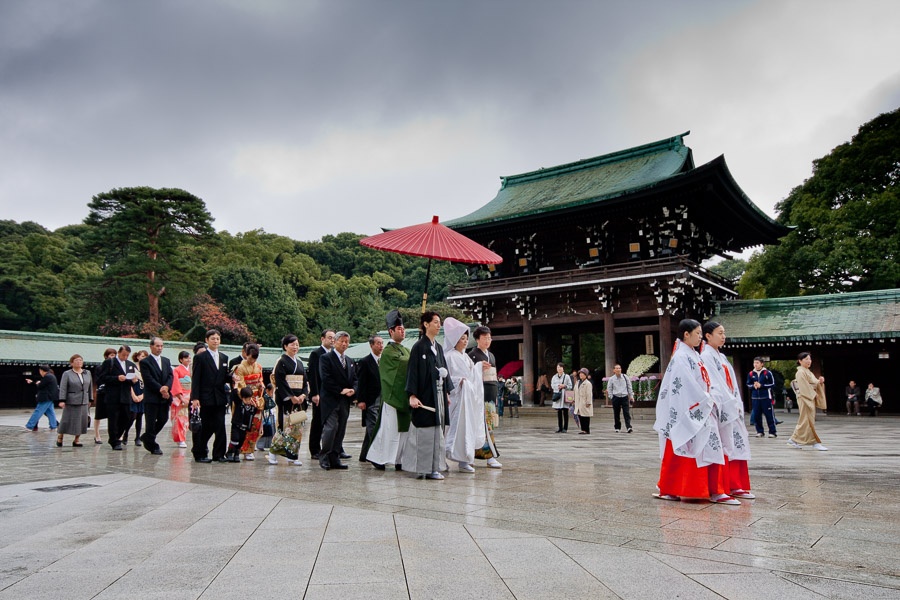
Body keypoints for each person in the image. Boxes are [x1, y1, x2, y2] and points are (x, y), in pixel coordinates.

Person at [653, 319, 737, 505]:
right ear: (686, 334)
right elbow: (686, 386)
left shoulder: (694, 355)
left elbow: (708, 381)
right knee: (691, 446)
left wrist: (712, 395)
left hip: (703, 405)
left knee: (704, 447)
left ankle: (711, 489)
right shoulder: (681, 357)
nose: (700, 337)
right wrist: (706, 399)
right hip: (693, 408)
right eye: (698, 333)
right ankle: (692, 489)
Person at [701, 322, 755, 500]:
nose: (723, 336)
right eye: (720, 333)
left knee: (736, 443)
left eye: (724, 333)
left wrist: (737, 401)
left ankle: (736, 484)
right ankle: (721, 487)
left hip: (731, 403)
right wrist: (729, 401)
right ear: (708, 336)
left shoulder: (722, 357)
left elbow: (731, 382)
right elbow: (715, 383)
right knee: (724, 444)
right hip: (722, 404)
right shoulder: (706, 356)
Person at [402, 311, 453, 480]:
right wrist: (412, 395)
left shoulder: (438, 347)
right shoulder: (418, 347)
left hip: (438, 393)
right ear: (426, 324)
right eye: (436, 322)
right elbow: (413, 372)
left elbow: (444, 370)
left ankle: (435, 467)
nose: (439, 325)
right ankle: (422, 468)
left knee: (438, 432)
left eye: (440, 322)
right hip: (425, 394)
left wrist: (446, 391)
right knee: (424, 432)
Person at [366, 310, 411, 471]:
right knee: (389, 430)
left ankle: (400, 459)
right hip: (393, 398)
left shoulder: (406, 350)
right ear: (391, 332)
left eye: (403, 328)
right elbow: (395, 371)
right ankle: (378, 458)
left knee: (405, 432)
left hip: (405, 396)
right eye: (398, 328)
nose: (402, 330)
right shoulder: (388, 352)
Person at [442, 317, 486, 473]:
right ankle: (443, 458)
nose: (465, 341)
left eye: (466, 338)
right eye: (462, 338)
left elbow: (472, 375)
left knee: (466, 429)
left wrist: (480, 367)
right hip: (456, 399)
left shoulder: (466, 357)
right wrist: (458, 381)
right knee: (451, 429)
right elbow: (446, 377)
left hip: (468, 399)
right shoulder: (449, 356)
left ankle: (464, 459)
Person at [318, 331, 357, 470]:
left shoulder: (350, 361)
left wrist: (353, 390)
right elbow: (326, 379)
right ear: (334, 342)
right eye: (342, 341)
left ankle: (335, 458)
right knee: (330, 428)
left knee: (341, 429)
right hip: (331, 399)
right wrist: (341, 390)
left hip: (345, 401)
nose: (344, 344)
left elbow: (355, 379)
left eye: (347, 341)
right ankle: (324, 456)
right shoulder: (325, 358)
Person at [190, 329, 230, 463]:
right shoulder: (200, 357)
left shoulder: (224, 358)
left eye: (218, 338)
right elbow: (196, 379)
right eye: (212, 338)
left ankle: (219, 454)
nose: (215, 341)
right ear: (207, 340)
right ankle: (199, 452)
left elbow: (224, 377)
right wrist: (195, 398)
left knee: (220, 426)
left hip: (219, 396)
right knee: (206, 426)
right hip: (205, 396)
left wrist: (232, 377)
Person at [468, 325, 502, 468]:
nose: (487, 341)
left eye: (489, 338)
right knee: (480, 425)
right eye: (484, 338)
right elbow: (468, 374)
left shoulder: (491, 355)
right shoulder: (472, 355)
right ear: (477, 339)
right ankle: (487, 455)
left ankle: (488, 455)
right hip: (478, 395)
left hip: (490, 393)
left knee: (489, 425)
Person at [271, 335, 308, 465]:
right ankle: (273, 453)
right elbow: (280, 381)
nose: (295, 347)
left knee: (296, 427)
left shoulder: (300, 363)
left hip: (299, 400)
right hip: (286, 399)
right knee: (284, 425)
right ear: (285, 346)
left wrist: (303, 395)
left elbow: (304, 382)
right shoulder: (281, 361)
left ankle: (292, 456)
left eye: (297, 344)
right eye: (292, 344)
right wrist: (291, 396)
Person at [231, 343, 265, 462]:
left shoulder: (259, 367)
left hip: (256, 398)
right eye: (250, 358)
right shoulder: (239, 367)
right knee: (242, 426)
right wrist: (247, 397)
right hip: (244, 398)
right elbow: (240, 384)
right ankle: (240, 449)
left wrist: (260, 387)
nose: (252, 361)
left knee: (254, 425)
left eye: (254, 359)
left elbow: (260, 380)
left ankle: (250, 449)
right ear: (246, 354)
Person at [787, 352, 828, 451]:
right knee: (808, 420)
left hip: (809, 397)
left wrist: (820, 381)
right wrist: (813, 394)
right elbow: (804, 386)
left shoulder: (808, 371)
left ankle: (793, 439)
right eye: (806, 359)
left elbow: (814, 382)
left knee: (805, 420)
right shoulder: (800, 372)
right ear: (800, 361)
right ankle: (815, 442)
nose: (809, 361)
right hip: (805, 398)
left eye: (810, 359)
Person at [139, 337, 173, 455]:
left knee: (163, 419)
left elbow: (170, 376)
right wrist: (160, 388)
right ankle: (152, 445)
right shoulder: (145, 362)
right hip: (152, 396)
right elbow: (148, 379)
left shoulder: (166, 361)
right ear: (151, 346)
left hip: (164, 396)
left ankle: (147, 437)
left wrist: (167, 387)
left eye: (161, 346)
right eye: (157, 346)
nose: (160, 348)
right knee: (151, 422)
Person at [101, 346, 138, 450]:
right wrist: (116, 378)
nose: (125, 357)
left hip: (126, 395)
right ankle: (114, 440)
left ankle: (117, 436)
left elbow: (132, 379)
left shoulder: (130, 365)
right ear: (119, 353)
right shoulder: (110, 363)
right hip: (113, 395)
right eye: (123, 355)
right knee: (113, 419)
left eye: (127, 355)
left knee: (127, 417)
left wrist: (133, 381)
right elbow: (102, 377)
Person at [307, 329, 335, 460]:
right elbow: (313, 375)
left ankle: (334, 448)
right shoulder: (316, 354)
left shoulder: (334, 354)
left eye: (333, 338)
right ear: (322, 339)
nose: (332, 340)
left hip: (331, 393)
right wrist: (314, 393)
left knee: (332, 422)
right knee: (317, 421)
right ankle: (314, 449)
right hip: (320, 393)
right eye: (329, 337)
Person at [356, 334, 384, 464]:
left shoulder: (383, 361)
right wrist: (361, 400)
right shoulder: (365, 362)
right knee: (373, 428)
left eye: (382, 343)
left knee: (372, 428)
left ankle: (364, 454)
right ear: (371, 345)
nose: (381, 346)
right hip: (370, 399)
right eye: (378, 343)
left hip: (382, 398)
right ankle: (376, 457)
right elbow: (361, 382)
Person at [57, 355, 91, 447]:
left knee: (82, 421)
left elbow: (90, 387)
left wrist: (90, 398)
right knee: (66, 419)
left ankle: (77, 439)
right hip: (71, 400)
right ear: (71, 363)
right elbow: (63, 387)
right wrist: (62, 400)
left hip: (84, 400)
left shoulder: (87, 373)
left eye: (80, 360)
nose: (79, 362)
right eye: (76, 360)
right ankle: (60, 436)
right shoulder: (67, 374)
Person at [746, 357, 776, 438]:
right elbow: (748, 384)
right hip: (755, 398)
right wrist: (753, 386)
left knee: (769, 415)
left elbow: (772, 384)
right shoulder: (751, 374)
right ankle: (759, 431)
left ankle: (772, 432)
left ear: (762, 364)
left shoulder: (767, 373)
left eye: (757, 363)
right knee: (757, 416)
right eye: (754, 363)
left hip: (766, 397)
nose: (755, 364)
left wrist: (761, 386)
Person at [123, 349, 147, 446]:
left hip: (143, 393)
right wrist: (133, 395)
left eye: (145, 356)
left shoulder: (147, 368)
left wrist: (143, 395)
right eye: (142, 356)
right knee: (132, 416)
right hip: (133, 392)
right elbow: (129, 383)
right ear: (137, 357)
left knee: (140, 416)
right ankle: (126, 433)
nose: (143, 358)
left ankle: (137, 437)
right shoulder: (132, 367)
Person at [25, 365, 59, 432]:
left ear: (41, 370)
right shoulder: (52, 376)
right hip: (50, 397)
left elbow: (40, 386)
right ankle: (53, 425)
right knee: (50, 412)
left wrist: (37, 383)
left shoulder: (47, 377)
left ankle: (30, 425)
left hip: (45, 397)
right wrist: (35, 383)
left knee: (38, 411)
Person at [92, 348, 116, 444]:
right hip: (102, 393)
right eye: (111, 355)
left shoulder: (117, 367)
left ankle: (116, 435)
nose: (112, 357)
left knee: (114, 415)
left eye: (114, 355)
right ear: (106, 356)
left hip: (113, 394)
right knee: (98, 415)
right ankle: (97, 435)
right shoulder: (100, 367)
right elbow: (99, 380)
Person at [170, 351, 192, 448]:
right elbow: (175, 384)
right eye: (186, 358)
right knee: (179, 419)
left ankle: (183, 437)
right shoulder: (177, 370)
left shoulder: (191, 370)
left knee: (186, 419)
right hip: (181, 396)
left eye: (189, 358)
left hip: (190, 394)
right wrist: (181, 397)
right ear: (181, 360)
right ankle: (180, 439)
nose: (188, 360)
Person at [607, 363, 634, 433]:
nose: (618, 369)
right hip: (616, 397)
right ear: (614, 370)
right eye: (617, 368)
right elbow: (609, 388)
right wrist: (611, 396)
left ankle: (628, 427)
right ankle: (617, 427)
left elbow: (629, 387)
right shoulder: (612, 379)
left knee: (626, 413)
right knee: (616, 413)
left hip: (624, 397)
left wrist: (631, 396)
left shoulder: (625, 377)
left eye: (619, 368)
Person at [550, 363, 573, 433]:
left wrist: (564, 386)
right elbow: (552, 385)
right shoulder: (554, 377)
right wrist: (558, 386)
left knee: (565, 412)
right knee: (559, 413)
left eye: (560, 367)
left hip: (564, 396)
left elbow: (570, 386)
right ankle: (560, 427)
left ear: (563, 368)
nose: (559, 369)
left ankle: (565, 428)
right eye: (558, 367)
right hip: (558, 396)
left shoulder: (567, 376)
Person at [574, 368, 593, 434]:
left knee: (585, 416)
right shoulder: (578, 382)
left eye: (582, 374)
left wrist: (588, 402)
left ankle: (586, 429)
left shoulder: (588, 383)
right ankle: (583, 429)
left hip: (584, 401)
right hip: (578, 401)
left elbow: (589, 393)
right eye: (580, 373)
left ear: (586, 375)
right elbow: (575, 392)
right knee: (580, 415)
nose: (581, 375)